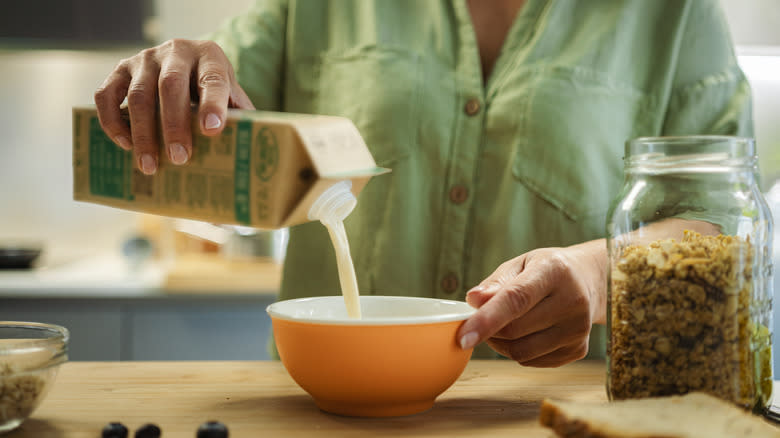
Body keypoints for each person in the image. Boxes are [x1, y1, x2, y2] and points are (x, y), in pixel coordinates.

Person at [94, 0, 753, 366]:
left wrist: (600, 275)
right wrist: (179, 81)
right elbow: (221, 107)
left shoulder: (674, 15)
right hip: (323, 418)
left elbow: (724, 224)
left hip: (541, 414)